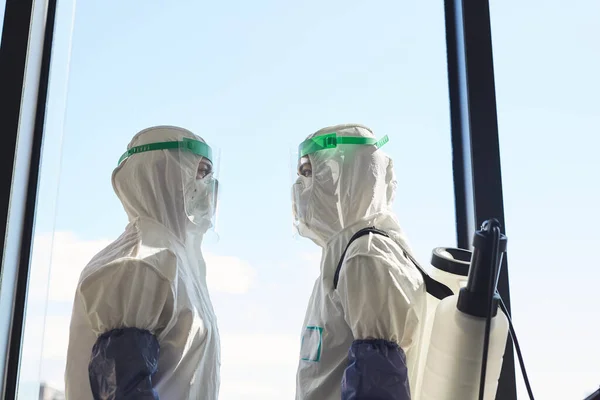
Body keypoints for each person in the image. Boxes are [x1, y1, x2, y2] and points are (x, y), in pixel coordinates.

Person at [65, 126, 221, 399]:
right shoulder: (140, 263)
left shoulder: (177, 262)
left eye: (209, 173)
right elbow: (121, 390)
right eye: (199, 171)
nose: (207, 185)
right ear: (160, 173)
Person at [292, 124, 428, 400]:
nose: (299, 187)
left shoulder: (365, 256)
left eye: (310, 173)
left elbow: (377, 385)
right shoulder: (342, 253)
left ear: (345, 177)